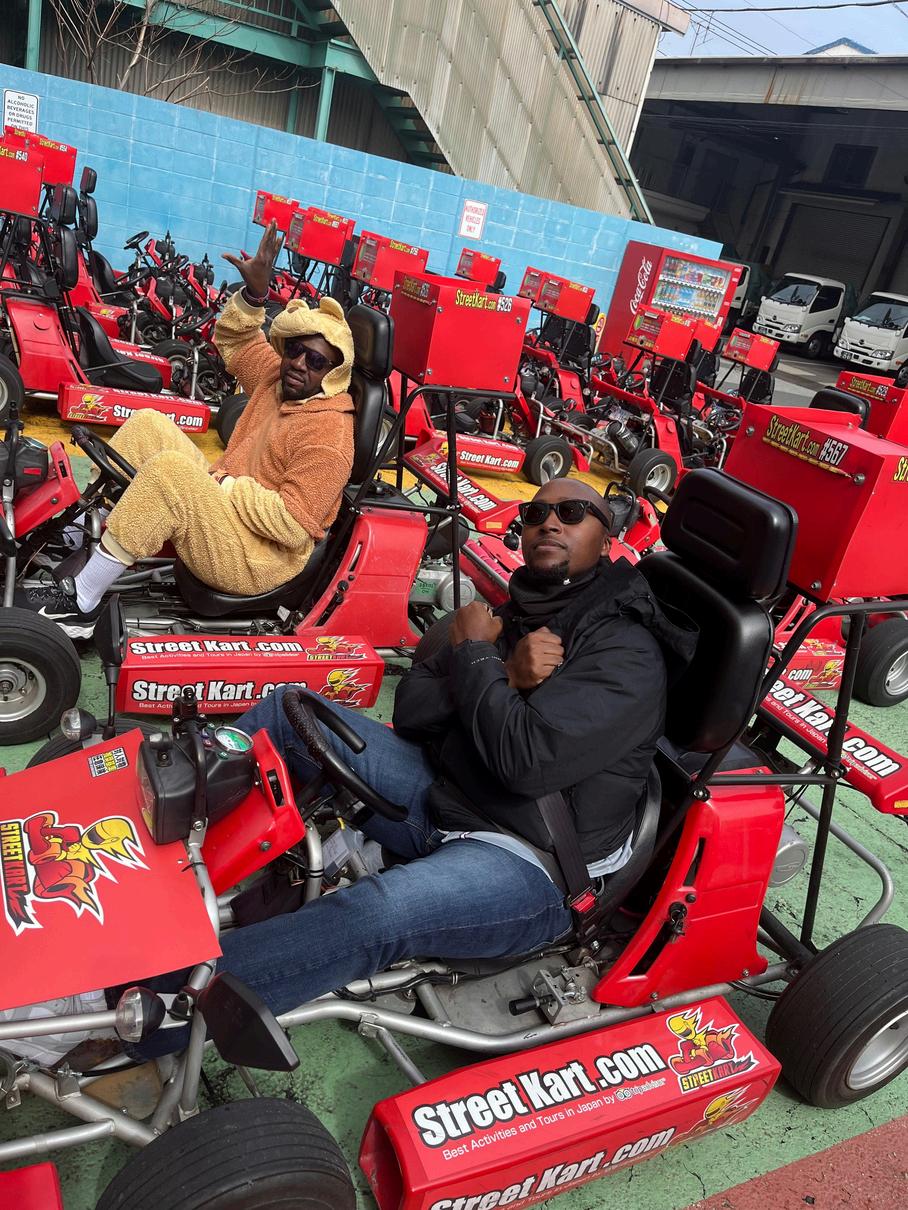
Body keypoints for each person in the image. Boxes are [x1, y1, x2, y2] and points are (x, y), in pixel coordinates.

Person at [207, 477, 695, 1018]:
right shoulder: (522, 609)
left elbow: (525, 764)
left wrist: (479, 659)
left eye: (574, 512)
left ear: (607, 542)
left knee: (376, 912)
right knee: (289, 713)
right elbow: (412, 708)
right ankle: (148, 845)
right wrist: (503, 669)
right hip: (452, 791)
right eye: (536, 513)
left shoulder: (626, 651)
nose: (550, 523)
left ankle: (158, 1002)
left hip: (536, 861)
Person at [19, 220, 356, 638]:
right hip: (229, 506)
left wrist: (225, 486)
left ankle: (82, 602)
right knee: (148, 424)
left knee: (171, 475)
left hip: (258, 558)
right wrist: (255, 296)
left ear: (333, 373)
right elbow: (235, 342)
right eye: (297, 350)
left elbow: (291, 525)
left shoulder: (329, 436)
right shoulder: (279, 380)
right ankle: (76, 533)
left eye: (317, 360)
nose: (301, 363)